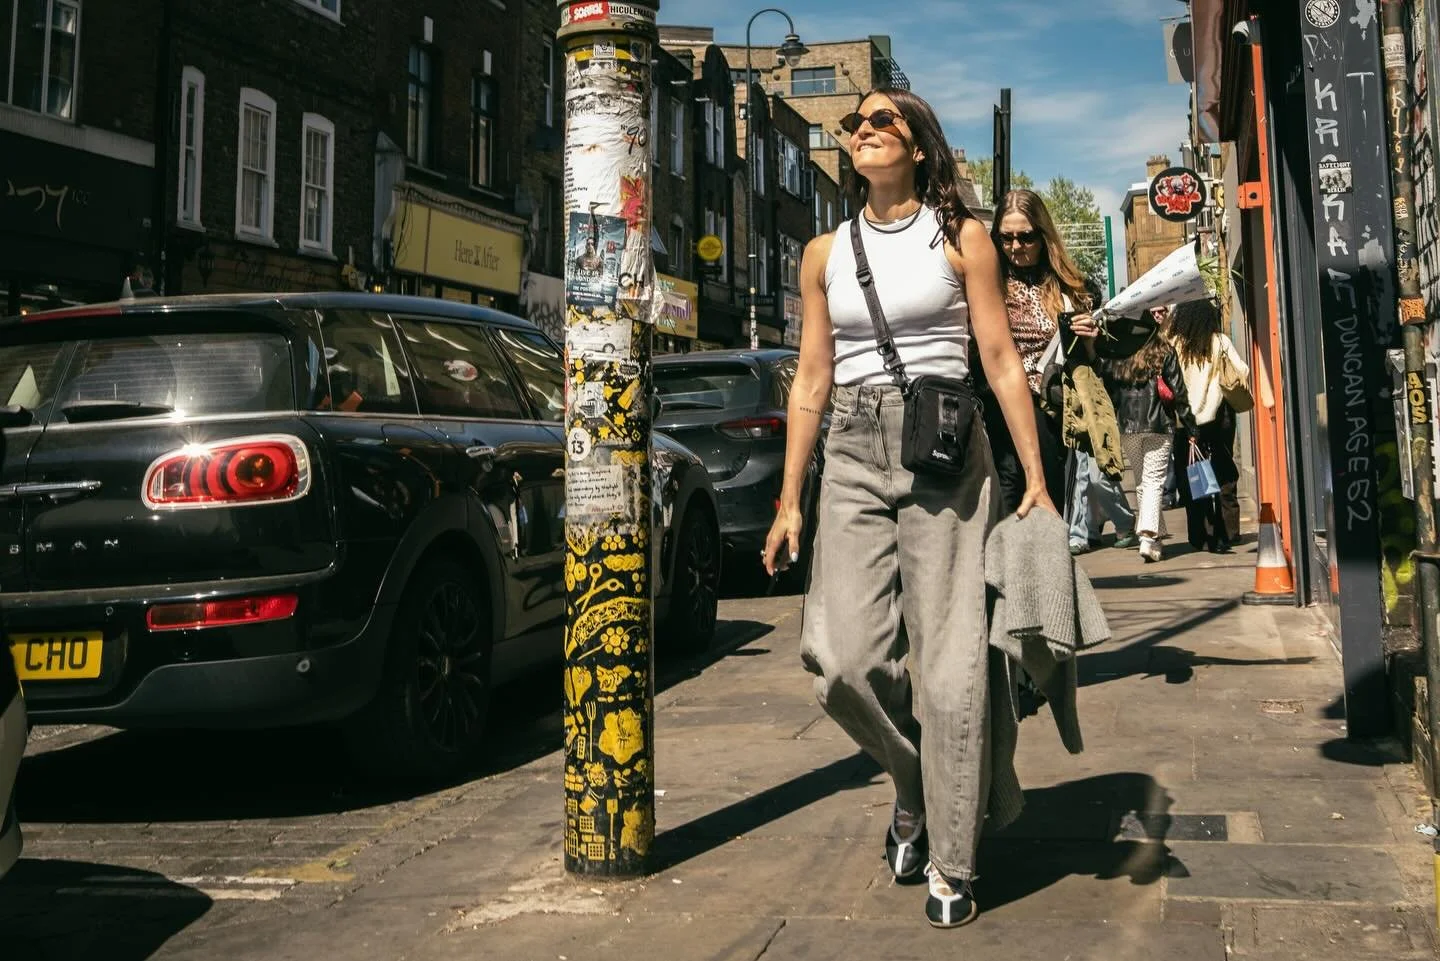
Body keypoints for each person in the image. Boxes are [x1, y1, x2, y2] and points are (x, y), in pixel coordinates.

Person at [761, 88, 1057, 929]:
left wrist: (1033, 477)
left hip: (945, 448)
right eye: (856, 123)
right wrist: (789, 499)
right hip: (851, 450)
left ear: (920, 146)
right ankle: (915, 780)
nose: (865, 130)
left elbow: (999, 359)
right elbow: (811, 379)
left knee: (952, 662)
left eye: (882, 119)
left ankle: (953, 860)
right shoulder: (824, 251)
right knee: (840, 656)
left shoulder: (961, 239)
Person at [984, 189, 1102, 513]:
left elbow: (1087, 365)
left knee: (1048, 510)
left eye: (1026, 237)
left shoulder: (1070, 288)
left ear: (1043, 235)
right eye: (1006, 238)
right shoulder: (987, 283)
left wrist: (1088, 340)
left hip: (1047, 414)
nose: (1016, 247)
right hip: (997, 413)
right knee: (1005, 509)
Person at [1095, 311, 1195, 562]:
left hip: (1128, 427)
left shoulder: (1121, 355)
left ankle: (1156, 541)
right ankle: (1148, 535)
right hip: (1159, 425)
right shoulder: (1165, 352)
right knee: (1153, 481)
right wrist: (1191, 426)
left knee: (1143, 481)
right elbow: (1179, 390)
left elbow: (1109, 387)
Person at [1168, 298, 1248, 552]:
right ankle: (1230, 532)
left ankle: (1200, 535)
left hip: (1186, 422)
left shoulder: (1174, 344)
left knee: (1192, 476)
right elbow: (1241, 371)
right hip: (1218, 419)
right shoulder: (1220, 342)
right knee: (1224, 472)